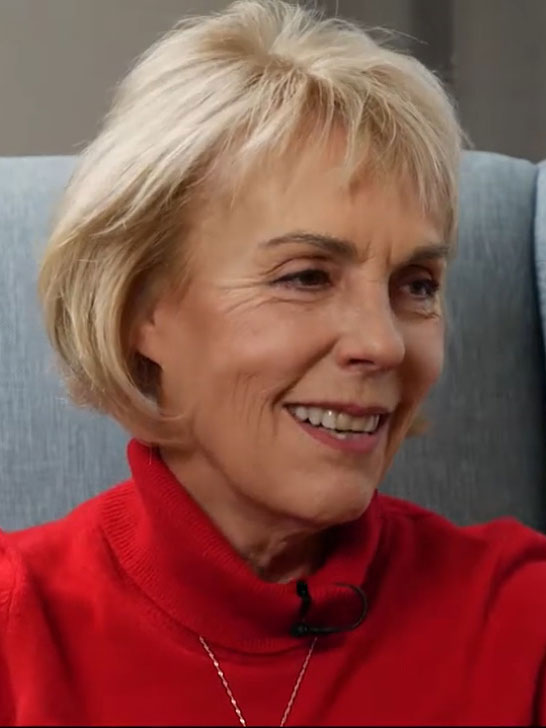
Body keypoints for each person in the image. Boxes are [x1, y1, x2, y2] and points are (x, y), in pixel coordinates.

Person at [2, 0, 546, 724]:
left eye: (416, 286)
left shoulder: (519, 615)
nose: (384, 343)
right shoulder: (17, 628)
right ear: (140, 310)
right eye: (306, 277)